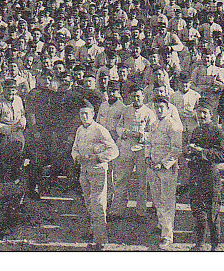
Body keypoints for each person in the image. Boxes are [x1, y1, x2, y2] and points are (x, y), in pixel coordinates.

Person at [71, 99, 119, 250]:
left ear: (93, 114)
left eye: (87, 114)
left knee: (98, 203)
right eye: (81, 114)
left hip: (98, 169)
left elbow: (114, 150)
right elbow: (75, 148)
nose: (84, 117)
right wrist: (77, 157)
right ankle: (94, 232)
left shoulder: (100, 130)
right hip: (84, 170)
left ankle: (101, 240)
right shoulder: (80, 130)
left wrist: (98, 158)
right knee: (88, 202)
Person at [185, 95, 224, 251]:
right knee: (198, 212)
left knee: (212, 212)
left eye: (205, 113)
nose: (201, 116)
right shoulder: (196, 130)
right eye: (199, 112)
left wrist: (203, 152)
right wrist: (188, 152)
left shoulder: (217, 131)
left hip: (211, 177)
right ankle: (199, 244)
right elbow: (191, 153)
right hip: (196, 176)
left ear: (211, 115)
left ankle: (215, 245)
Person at [112, 85, 155, 218]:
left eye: (138, 96)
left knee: (142, 180)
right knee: (121, 178)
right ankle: (118, 209)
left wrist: (143, 135)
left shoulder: (149, 112)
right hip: (126, 147)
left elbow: (153, 131)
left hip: (141, 149)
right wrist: (125, 132)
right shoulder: (126, 110)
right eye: (133, 96)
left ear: (143, 97)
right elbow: (119, 127)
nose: (136, 99)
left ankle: (141, 211)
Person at [145, 94, 182, 250]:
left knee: (167, 201)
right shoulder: (153, 124)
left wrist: (163, 164)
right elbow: (148, 142)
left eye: (162, 107)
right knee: (157, 198)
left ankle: (167, 235)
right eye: (157, 107)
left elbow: (176, 149)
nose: (159, 110)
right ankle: (161, 225)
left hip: (167, 168)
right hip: (153, 166)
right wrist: (147, 157)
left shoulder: (173, 125)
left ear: (168, 109)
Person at [0, 78, 27, 181]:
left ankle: (16, 183)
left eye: (13, 89)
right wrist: (9, 129)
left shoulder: (18, 100)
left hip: (18, 133)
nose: (10, 92)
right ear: (3, 89)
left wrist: (22, 122)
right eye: (7, 89)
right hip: (4, 135)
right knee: (5, 163)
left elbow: (23, 114)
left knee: (18, 159)